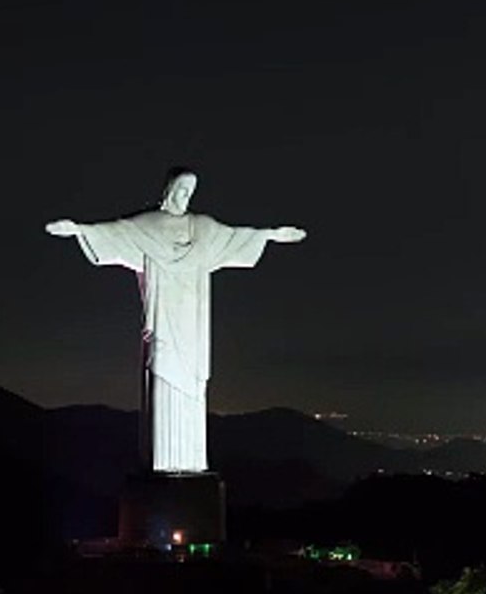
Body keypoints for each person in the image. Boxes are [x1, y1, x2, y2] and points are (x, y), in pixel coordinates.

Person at [46, 168, 306, 472]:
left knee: (193, 386)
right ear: (169, 191)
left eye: (190, 192)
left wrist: (271, 235)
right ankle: (163, 461)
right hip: (164, 321)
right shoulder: (148, 226)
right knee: (162, 377)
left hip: (193, 325)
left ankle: (191, 462)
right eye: (181, 190)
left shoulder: (203, 229)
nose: (185, 197)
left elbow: (235, 237)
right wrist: (80, 230)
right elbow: (116, 233)